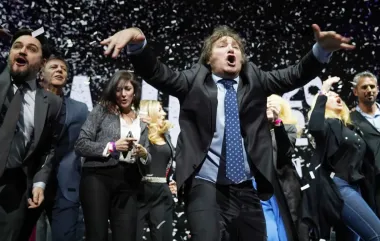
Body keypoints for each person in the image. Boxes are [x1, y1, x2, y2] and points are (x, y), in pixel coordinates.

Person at [101, 24, 354, 241]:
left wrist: (321, 50)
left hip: (245, 187)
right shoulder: (192, 82)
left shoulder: (255, 79)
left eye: (236, 46)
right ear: (208, 58)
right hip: (205, 184)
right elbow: (156, 72)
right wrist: (138, 42)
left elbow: (296, 74)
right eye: (222, 45)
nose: (231, 49)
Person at [0, 28, 63, 241]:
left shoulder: (52, 104)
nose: (23, 51)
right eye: (17, 46)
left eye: (31, 48)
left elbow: (48, 149)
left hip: (11, 191)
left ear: (42, 62)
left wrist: (39, 183)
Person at [18, 56, 88, 241]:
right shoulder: (25, 103)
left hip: (65, 188)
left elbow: (93, 135)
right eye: (54, 67)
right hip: (27, 184)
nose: (59, 70)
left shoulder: (80, 110)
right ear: (41, 73)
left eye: (63, 69)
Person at [74, 70, 151, 241]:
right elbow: (80, 144)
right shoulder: (102, 111)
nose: (123, 94)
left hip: (128, 180)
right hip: (98, 177)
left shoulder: (141, 121)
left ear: (135, 91)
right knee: (97, 235)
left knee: (126, 236)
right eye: (118, 89)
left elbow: (147, 158)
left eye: (127, 89)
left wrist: (143, 153)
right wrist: (112, 146)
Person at [308, 76, 380, 240]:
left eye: (335, 94)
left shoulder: (349, 127)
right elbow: (315, 127)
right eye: (330, 96)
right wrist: (324, 90)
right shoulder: (327, 124)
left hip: (356, 187)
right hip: (340, 188)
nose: (334, 96)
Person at [256, 94, 300, 241]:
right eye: (265, 102)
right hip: (256, 184)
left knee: (283, 231)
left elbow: (284, 153)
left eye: (272, 103)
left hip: (279, 186)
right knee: (269, 232)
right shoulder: (254, 129)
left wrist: (276, 123)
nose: (268, 105)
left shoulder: (288, 128)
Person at [137, 100, 175, 241]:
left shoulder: (167, 135)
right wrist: (139, 123)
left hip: (162, 193)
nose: (164, 113)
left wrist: (172, 181)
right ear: (149, 113)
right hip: (139, 192)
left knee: (162, 237)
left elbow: (170, 162)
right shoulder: (139, 132)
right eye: (159, 110)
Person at [350, 71, 380, 217]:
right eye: (364, 87)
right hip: (371, 184)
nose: (369, 90)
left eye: (372, 86)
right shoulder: (350, 120)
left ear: (378, 89)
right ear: (355, 91)